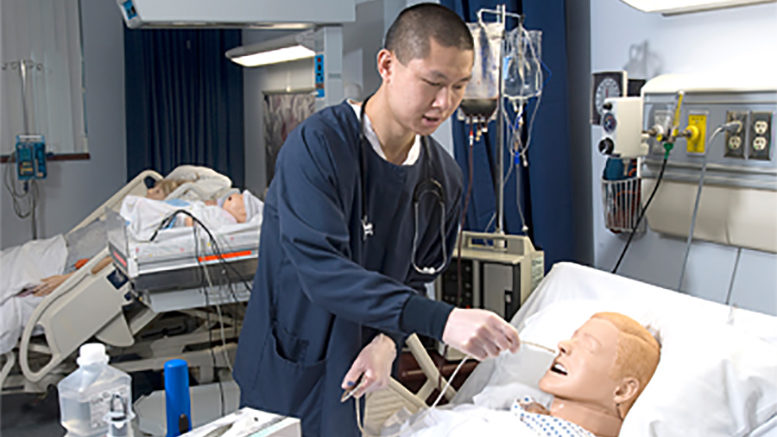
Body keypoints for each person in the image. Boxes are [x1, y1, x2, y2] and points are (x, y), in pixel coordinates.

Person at [233, 4, 520, 436]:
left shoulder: (444, 179)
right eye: (433, 83)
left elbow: (414, 276)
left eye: (459, 86)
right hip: (293, 357)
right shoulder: (318, 148)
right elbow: (323, 271)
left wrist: (388, 340)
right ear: (387, 65)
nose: (445, 103)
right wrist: (443, 319)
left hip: (360, 359)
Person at [395, 312, 661, 437]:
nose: (563, 345)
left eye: (588, 347)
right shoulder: (517, 406)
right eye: (572, 338)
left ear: (623, 391)